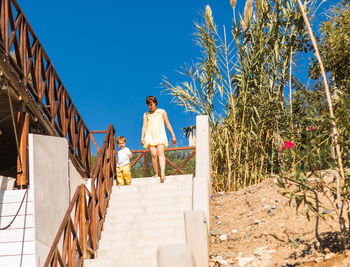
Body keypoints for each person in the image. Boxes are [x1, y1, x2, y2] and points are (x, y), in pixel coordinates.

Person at [141, 96, 176, 183]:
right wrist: (142, 137)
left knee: (160, 153)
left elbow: (167, 124)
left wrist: (173, 135)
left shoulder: (162, 112)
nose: (150, 106)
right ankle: (156, 173)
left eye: (151, 104)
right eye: (148, 104)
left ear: (155, 103)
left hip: (160, 135)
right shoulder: (146, 114)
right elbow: (144, 126)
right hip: (150, 136)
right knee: (153, 154)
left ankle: (163, 173)